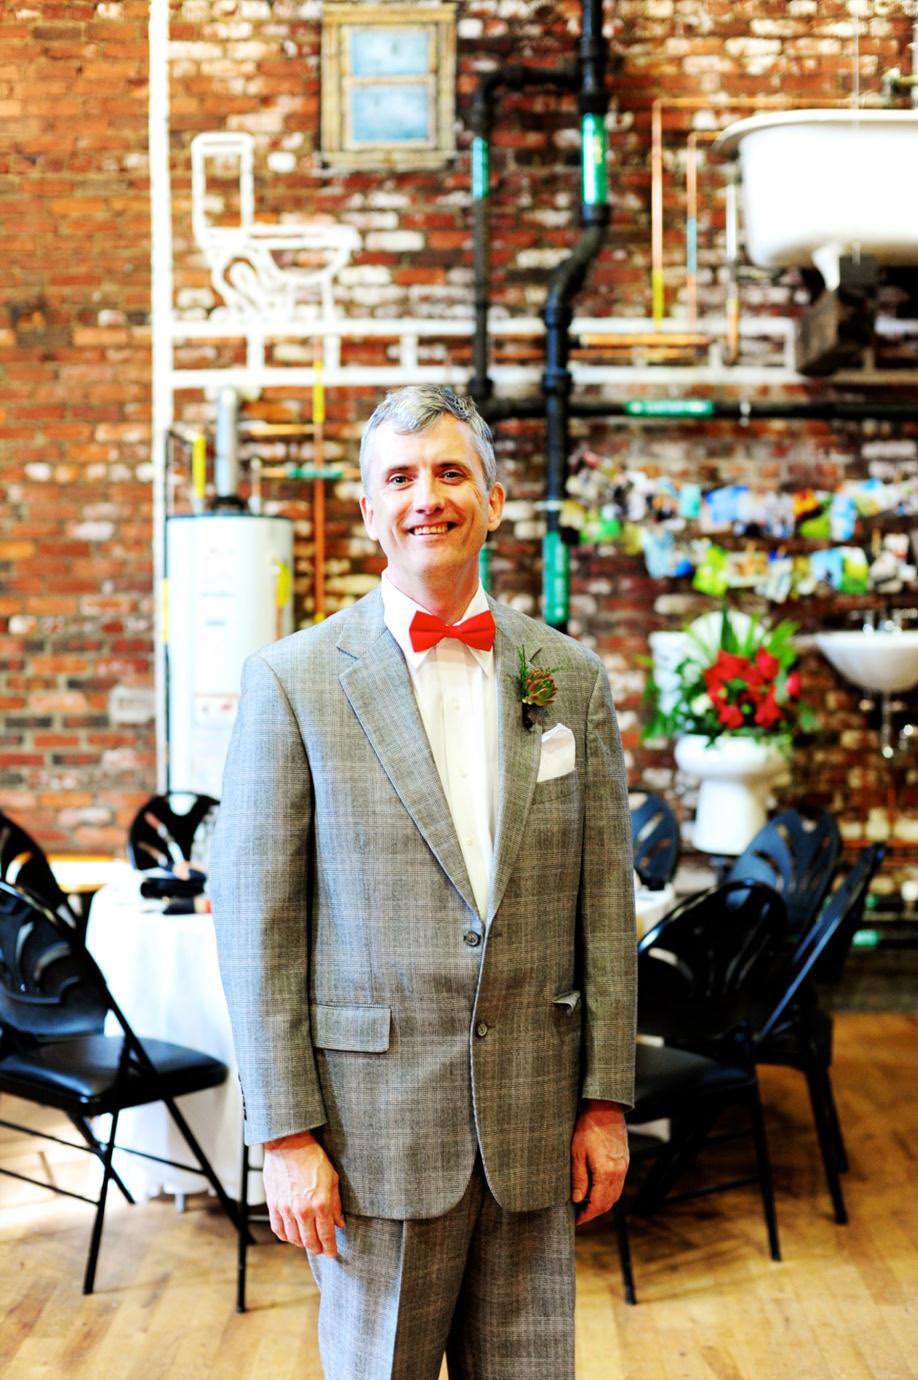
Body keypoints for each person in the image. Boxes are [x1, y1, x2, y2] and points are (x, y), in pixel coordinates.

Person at [209, 385, 636, 1379]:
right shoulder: (293, 681)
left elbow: (605, 907)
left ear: (494, 501)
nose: (426, 498)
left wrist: (605, 1102)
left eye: (450, 473)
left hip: (535, 1118)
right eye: (399, 478)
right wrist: (285, 1135)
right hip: (371, 1135)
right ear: (369, 510)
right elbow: (258, 927)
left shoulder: (569, 677)